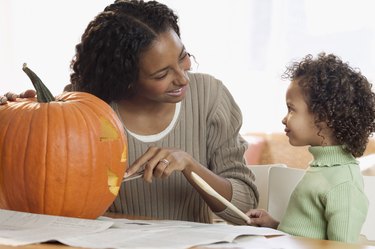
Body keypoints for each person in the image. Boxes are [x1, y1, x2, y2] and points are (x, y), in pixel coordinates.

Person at [2, 0, 258, 224]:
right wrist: (15, 119)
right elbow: (42, 187)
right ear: (125, 80)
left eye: (183, 57)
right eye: (162, 74)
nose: (182, 78)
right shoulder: (85, 102)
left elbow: (245, 208)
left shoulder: (210, 96)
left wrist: (190, 165)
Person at [246, 52, 374, 243]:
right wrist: (273, 224)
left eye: (291, 109)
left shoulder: (343, 183)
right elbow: (308, 233)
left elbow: (341, 247)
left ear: (322, 117)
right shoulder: (321, 167)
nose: (284, 118)